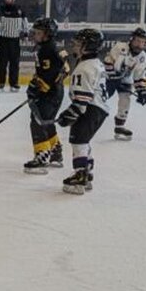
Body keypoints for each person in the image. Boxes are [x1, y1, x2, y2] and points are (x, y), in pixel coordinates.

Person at [57, 27, 110, 195]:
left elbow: (82, 100)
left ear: (87, 47)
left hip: (90, 109)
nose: (74, 46)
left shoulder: (84, 68)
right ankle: (87, 172)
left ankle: (80, 175)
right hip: (99, 108)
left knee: (78, 140)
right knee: (84, 140)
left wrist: (68, 115)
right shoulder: (95, 63)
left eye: (78, 43)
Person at [22, 17, 69, 173]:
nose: (34, 34)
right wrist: (36, 84)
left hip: (50, 93)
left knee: (37, 122)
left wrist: (39, 88)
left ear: (48, 34)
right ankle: (56, 152)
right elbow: (62, 69)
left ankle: (42, 157)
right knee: (46, 122)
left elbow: (58, 72)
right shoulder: (48, 47)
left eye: (38, 32)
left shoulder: (48, 49)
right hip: (53, 92)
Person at [104, 26, 146, 141]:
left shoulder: (143, 57)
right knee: (102, 97)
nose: (139, 44)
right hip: (110, 79)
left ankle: (119, 126)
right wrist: (112, 76)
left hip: (126, 81)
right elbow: (108, 61)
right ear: (132, 39)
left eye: (142, 42)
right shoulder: (120, 47)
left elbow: (139, 76)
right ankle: (86, 114)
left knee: (125, 101)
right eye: (137, 41)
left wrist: (142, 91)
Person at [0, 0, 27, 91]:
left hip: (15, 40)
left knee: (14, 63)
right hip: (3, 39)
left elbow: (24, 22)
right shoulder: (1, 8)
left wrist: (25, 33)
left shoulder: (20, 9)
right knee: (2, 63)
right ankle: (1, 82)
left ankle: (14, 83)